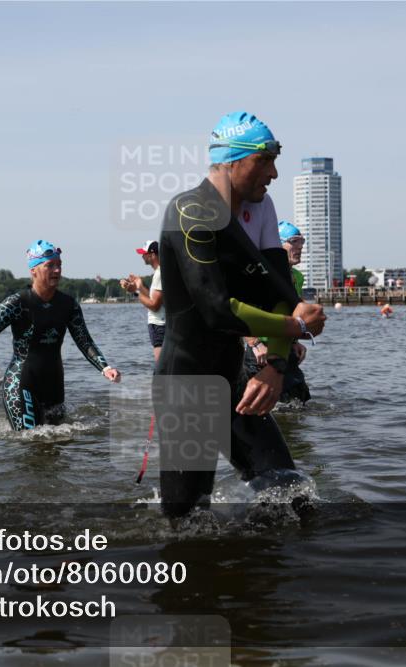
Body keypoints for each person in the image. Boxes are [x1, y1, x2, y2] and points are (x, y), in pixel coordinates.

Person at [154, 111, 327, 518]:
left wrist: (276, 366)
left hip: (234, 381)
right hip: (188, 385)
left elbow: (282, 295)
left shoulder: (261, 207)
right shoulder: (190, 210)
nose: (274, 173)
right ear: (231, 161)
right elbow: (216, 309)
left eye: (275, 160)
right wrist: (296, 326)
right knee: (185, 522)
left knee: (293, 497)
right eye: (264, 160)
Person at [0, 241, 121, 430]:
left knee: (56, 444)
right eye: (50, 265)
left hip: (54, 384)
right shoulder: (17, 303)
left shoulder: (69, 304)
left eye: (59, 265)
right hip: (20, 383)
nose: (57, 270)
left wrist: (105, 368)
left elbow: (84, 340)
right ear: (33, 270)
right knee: (30, 439)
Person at [243, 221, 311, 405]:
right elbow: (241, 309)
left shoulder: (297, 277)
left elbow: (292, 313)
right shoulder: (261, 274)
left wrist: (295, 341)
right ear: (277, 245)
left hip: (285, 349)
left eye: (302, 241)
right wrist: (255, 343)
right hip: (261, 352)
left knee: (300, 401)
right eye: (294, 241)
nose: (300, 247)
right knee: (261, 407)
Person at [120, 241, 165, 362]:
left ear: (153, 255)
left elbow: (154, 305)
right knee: (163, 367)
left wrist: (134, 292)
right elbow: (152, 298)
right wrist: (139, 286)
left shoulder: (159, 274)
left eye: (144, 253)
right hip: (159, 325)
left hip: (159, 325)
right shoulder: (159, 272)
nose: (142, 256)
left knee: (162, 367)